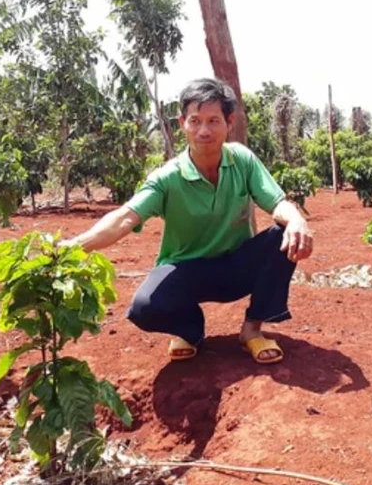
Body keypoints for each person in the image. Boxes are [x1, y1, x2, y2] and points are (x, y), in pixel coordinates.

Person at [61, 77, 314, 364]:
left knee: (283, 234)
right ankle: (190, 330)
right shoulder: (167, 178)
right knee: (145, 307)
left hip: (237, 267)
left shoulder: (242, 160)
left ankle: (252, 329)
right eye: (195, 121)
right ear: (182, 123)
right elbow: (124, 218)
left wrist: (295, 219)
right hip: (187, 271)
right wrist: (73, 246)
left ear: (229, 122)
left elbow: (276, 202)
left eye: (213, 120)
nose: (203, 130)